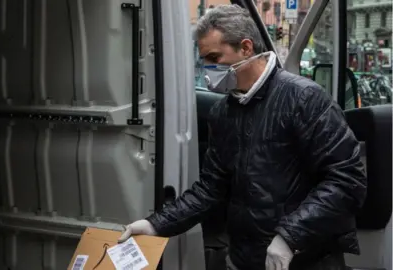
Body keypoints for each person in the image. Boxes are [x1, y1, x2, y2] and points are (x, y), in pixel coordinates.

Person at [119, 4, 367, 270]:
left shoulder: (304, 99)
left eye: (215, 58)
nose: (208, 69)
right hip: (243, 259)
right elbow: (211, 188)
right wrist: (155, 224)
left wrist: (290, 236)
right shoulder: (223, 111)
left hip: (306, 260)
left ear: (246, 48)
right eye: (204, 59)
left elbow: (346, 179)